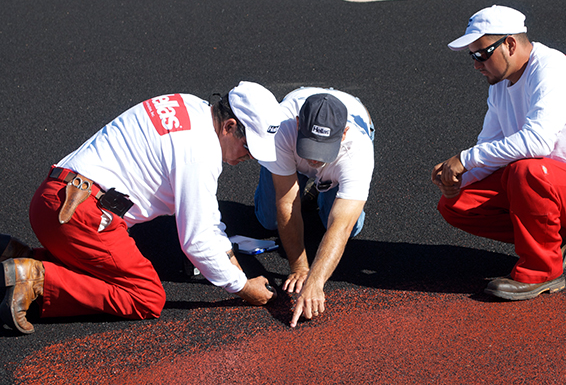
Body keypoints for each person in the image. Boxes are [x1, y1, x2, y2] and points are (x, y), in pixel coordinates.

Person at [0, 81, 282, 334]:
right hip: (83, 218)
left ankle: (19, 257)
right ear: (229, 126)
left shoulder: (188, 104)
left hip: (52, 200)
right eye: (248, 148)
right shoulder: (200, 153)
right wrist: (243, 287)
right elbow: (197, 241)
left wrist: (231, 263)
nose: (249, 158)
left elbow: (206, 219)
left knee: (105, 271)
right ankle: (36, 281)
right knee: (146, 296)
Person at [432, 5, 566, 301]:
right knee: (455, 204)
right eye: (472, 55)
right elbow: (488, 146)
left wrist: (465, 159)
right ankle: (555, 238)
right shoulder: (499, 86)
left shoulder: (553, 71)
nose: (476, 64)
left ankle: (543, 271)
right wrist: (458, 179)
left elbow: (536, 142)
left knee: (524, 170)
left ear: (510, 44)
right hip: (547, 184)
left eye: (481, 53)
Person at [253, 87, 374, 327]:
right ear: (298, 124)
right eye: (310, 147)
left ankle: (318, 188)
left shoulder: (357, 150)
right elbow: (287, 203)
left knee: (352, 227)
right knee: (269, 220)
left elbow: (340, 227)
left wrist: (314, 283)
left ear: (344, 133)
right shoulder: (281, 129)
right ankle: (300, 180)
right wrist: (299, 267)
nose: (315, 158)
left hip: (346, 151)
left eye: (322, 150)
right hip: (287, 146)